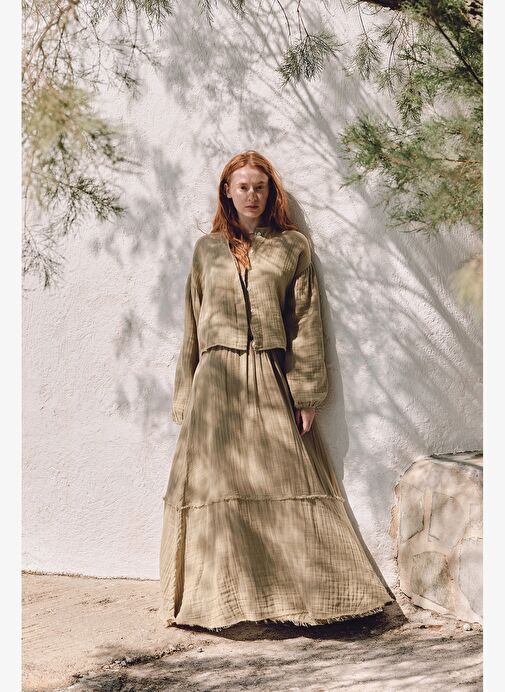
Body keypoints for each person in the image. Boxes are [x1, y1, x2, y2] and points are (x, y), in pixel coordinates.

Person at [159, 150, 394, 631]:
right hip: (215, 383)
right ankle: (222, 602)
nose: (252, 195)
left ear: (271, 193)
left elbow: (305, 321)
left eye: (260, 187)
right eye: (243, 186)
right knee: (220, 488)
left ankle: (303, 598)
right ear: (227, 192)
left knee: (283, 479)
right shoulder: (206, 250)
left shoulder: (292, 247)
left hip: (268, 373)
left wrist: (306, 394)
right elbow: (191, 325)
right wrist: (186, 393)